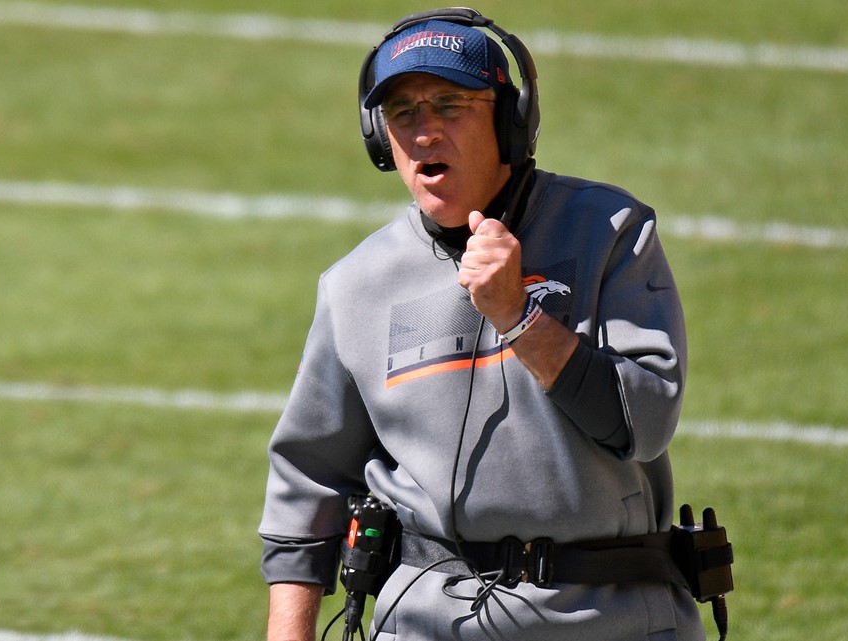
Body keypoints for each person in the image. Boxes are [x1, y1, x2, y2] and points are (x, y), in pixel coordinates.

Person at [259, 8, 703, 641]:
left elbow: (644, 422)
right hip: (425, 621)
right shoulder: (355, 286)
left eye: (450, 104)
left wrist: (520, 318)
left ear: (509, 122)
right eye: (403, 113)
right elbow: (307, 484)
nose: (424, 131)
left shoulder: (609, 232)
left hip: (613, 618)